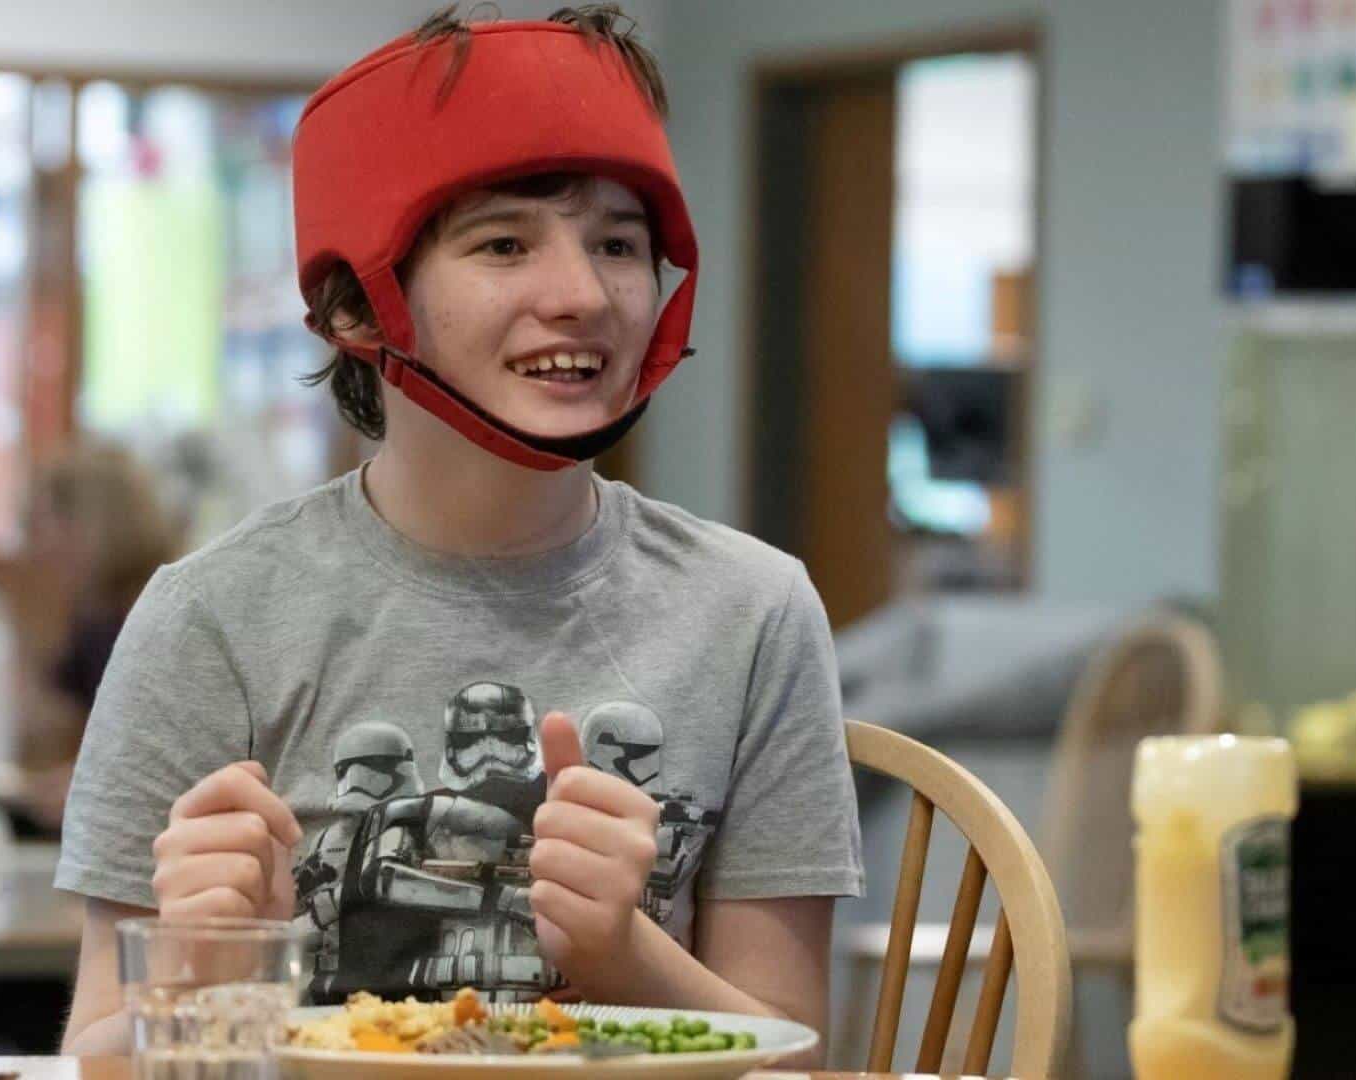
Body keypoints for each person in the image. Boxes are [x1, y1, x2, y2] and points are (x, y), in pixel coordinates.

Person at [56, 6, 863, 1065]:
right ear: (356, 304)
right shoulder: (213, 619)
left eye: (619, 244)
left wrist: (623, 952)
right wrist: (204, 977)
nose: (582, 296)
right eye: (503, 245)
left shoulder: (753, 613)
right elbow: (91, 1057)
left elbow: (797, 1065)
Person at [0, 441, 181, 834]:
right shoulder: (94, 623)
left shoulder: (148, 625)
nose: (35, 547)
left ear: (86, 527)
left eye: (40, 524)